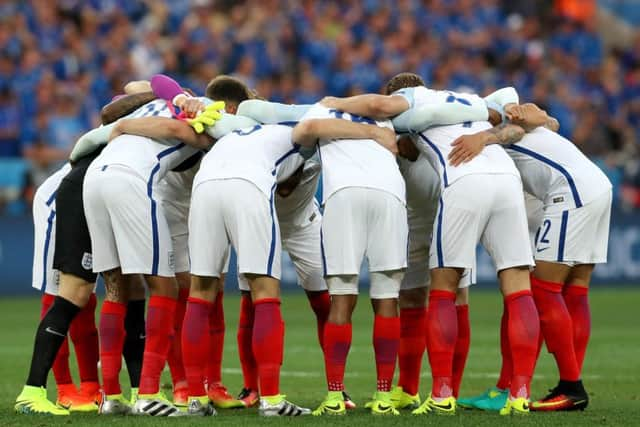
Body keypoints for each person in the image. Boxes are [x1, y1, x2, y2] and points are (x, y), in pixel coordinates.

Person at [321, 72, 540, 416]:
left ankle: (441, 391)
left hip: (457, 191)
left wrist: (334, 104)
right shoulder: (472, 101)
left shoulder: (411, 107)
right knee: (516, 287)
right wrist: (486, 135)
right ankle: (520, 392)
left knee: (443, 290)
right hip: (504, 183)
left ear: (404, 94)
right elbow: (516, 126)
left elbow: (378, 107)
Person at [183, 112, 396, 416]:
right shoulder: (304, 130)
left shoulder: (237, 133)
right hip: (253, 198)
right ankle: (263, 394)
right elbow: (285, 184)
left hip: (274, 212)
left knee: (201, 290)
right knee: (261, 296)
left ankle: (195, 399)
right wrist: (373, 132)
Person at [448, 101, 612, 412]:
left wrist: (483, 138)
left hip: (572, 192)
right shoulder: (532, 125)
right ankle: (565, 383)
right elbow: (547, 125)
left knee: (541, 289)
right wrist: (542, 117)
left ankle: (571, 386)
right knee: (575, 291)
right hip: (596, 185)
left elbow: (513, 130)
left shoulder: (497, 130)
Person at [14, 89, 160, 416]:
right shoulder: (126, 129)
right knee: (64, 293)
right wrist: (170, 96)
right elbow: (124, 101)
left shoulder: (135, 138)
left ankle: (97, 388)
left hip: (97, 198)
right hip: (58, 202)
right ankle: (60, 389)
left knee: (121, 285)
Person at [83, 100, 220, 416]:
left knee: (117, 289)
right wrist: (206, 133)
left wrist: (123, 126)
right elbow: (182, 130)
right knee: (165, 287)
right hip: (132, 180)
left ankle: (112, 397)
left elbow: (139, 92)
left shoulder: (150, 106)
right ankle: (147, 393)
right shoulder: (193, 120)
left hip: (95, 178)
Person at [29, 162, 100, 412]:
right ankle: (65, 389)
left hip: (90, 203)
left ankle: (91, 387)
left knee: (85, 297)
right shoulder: (138, 127)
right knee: (59, 295)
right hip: (57, 204)